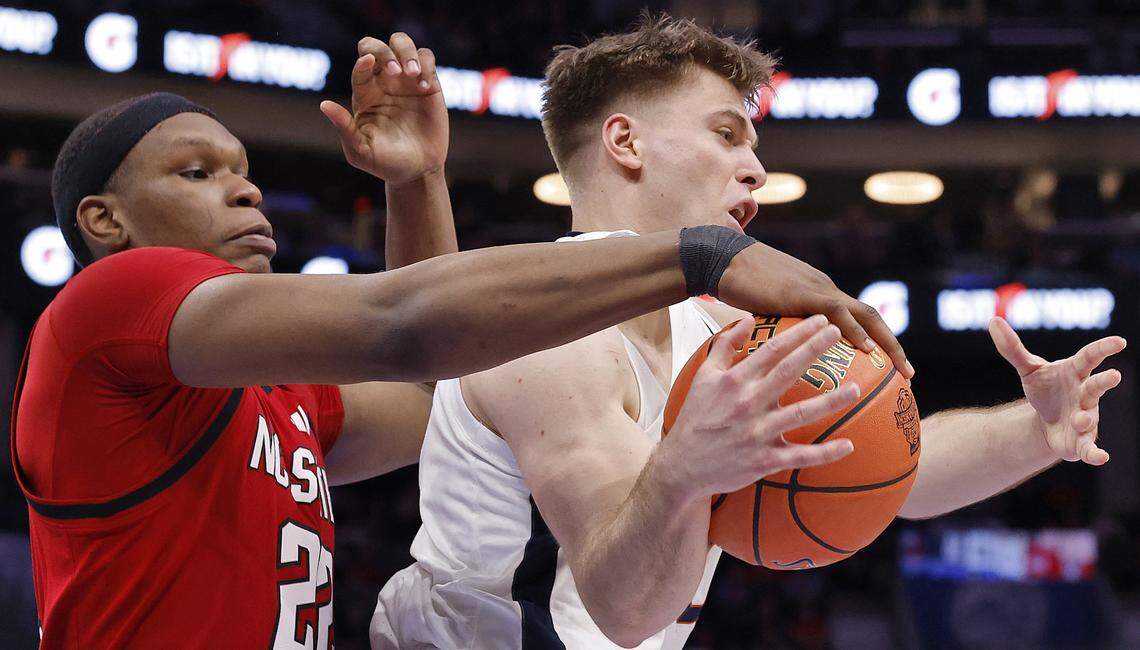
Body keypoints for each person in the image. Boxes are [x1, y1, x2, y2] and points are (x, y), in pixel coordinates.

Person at [9, 32, 906, 648]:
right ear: (104, 220)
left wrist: (418, 182)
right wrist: (701, 256)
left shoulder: (274, 395)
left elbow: (432, 395)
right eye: (198, 173)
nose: (246, 193)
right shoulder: (107, 308)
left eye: (246, 172)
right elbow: (401, 327)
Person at [370, 15, 1126, 649]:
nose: (756, 169)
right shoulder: (549, 341)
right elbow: (624, 612)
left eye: (753, 145)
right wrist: (685, 471)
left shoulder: (727, 324)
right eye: (728, 135)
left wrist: (1038, 430)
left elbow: (889, 475)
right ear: (626, 143)